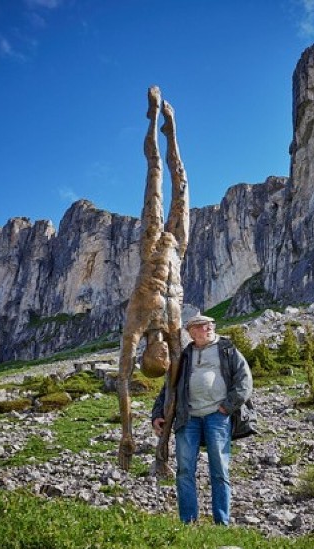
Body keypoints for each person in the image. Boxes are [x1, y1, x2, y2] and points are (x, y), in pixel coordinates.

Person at [116, 85, 189, 473]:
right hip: (177, 249)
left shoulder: (137, 323)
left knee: (157, 174)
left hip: (152, 247)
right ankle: (171, 127)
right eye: (163, 359)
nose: (162, 356)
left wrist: (128, 435)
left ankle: (159, 123)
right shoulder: (173, 329)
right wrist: (161, 448)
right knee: (181, 183)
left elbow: (123, 379)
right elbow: (174, 388)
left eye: (155, 359)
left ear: (145, 356)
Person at [151, 314, 253, 525]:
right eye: (202, 326)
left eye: (210, 324)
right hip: (188, 418)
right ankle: (188, 522)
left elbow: (244, 381)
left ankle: (221, 523)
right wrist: (158, 415)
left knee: (219, 470)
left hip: (217, 416)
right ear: (191, 332)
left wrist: (227, 407)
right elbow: (168, 388)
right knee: (184, 471)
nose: (208, 328)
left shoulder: (227, 350)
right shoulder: (183, 356)